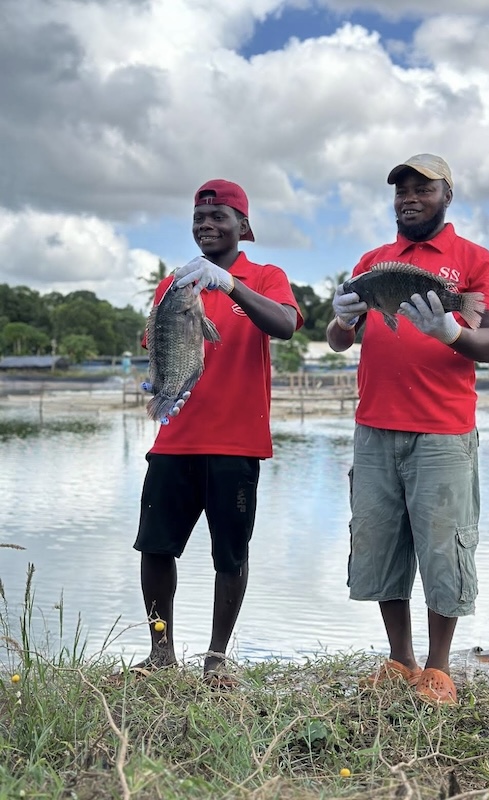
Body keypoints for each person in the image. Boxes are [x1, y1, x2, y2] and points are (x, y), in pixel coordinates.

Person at [326, 154, 489, 704]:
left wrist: (452, 332)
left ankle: (439, 668)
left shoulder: (474, 260)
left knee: (443, 549)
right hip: (374, 428)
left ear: (446, 195)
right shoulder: (373, 261)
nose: (408, 196)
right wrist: (341, 318)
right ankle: (400, 660)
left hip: (443, 431)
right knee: (380, 544)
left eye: (422, 188)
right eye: (401, 189)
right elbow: (340, 341)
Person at [133, 179, 303, 684]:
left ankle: (217, 658)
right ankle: (160, 651)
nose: (207, 225)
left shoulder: (267, 276)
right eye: (199, 218)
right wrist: (158, 379)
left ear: (243, 227)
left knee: (230, 553)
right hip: (175, 438)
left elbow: (286, 325)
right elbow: (156, 342)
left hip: (236, 443)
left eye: (219, 217)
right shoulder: (174, 283)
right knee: (156, 547)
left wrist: (229, 285)